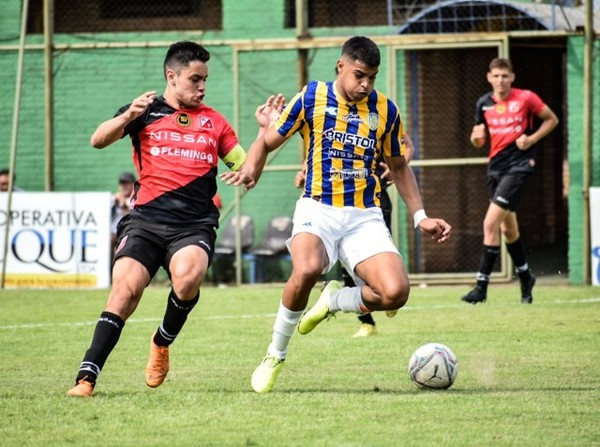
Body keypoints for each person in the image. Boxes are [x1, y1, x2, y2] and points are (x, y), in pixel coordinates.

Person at [222, 36, 451, 393]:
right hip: (318, 208)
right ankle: (274, 355)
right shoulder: (311, 96)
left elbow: (399, 167)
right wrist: (253, 167)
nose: (365, 84)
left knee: (396, 293)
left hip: (364, 215)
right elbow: (267, 139)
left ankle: (335, 299)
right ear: (341, 66)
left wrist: (421, 216)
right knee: (308, 269)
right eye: (360, 75)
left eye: (372, 77)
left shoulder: (386, 111)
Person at [67, 40, 284, 397]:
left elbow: (247, 172)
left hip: (194, 224)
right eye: (194, 79)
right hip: (145, 222)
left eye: (205, 80)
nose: (202, 87)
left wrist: (265, 133)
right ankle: (86, 378)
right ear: (172, 75)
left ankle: (161, 341)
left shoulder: (215, 123)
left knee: (187, 278)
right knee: (124, 292)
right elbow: (97, 140)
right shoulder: (145, 111)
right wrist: (126, 117)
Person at [294, 134, 415, 338]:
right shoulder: (326, 117)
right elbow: (317, 156)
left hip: (372, 204)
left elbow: (408, 146)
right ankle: (367, 322)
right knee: (348, 267)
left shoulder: (381, 112)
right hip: (335, 205)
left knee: (378, 265)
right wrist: (304, 172)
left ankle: (386, 293)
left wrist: (397, 168)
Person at [461, 58, 558, 305]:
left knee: (490, 223)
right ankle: (526, 277)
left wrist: (532, 139)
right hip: (496, 169)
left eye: (505, 76)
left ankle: (481, 287)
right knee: (508, 229)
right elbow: (478, 140)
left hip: (519, 167)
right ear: (489, 77)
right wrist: (475, 138)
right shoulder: (483, 104)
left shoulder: (526, 98)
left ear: (512, 77)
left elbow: (551, 119)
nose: (500, 80)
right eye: (496, 76)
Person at [110, 171, 136, 255]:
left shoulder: (137, 200)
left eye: (127, 183)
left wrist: (124, 206)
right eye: (122, 183)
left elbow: (133, 222)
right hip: (114, 233)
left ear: (133, 185)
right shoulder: (114, 198)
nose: (124, 186)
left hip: (130, 234)